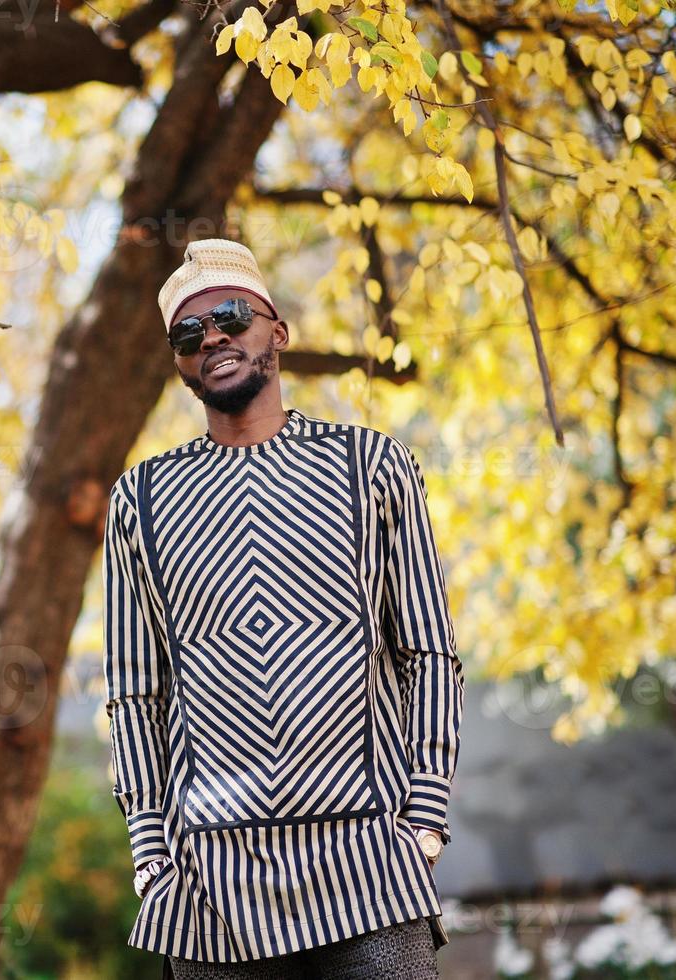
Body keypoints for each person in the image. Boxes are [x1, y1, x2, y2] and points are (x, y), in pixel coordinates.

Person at [102, 238, 465, 978]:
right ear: (177, 361)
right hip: (211, 881)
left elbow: (426, 652)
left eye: (232, 317)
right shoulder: (138, 500)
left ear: (277, 332)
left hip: (368, 861)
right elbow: (134, 691)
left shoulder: (371, 467)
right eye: (188, 333)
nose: (213, 338)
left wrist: (424, 816)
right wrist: (148, 849)